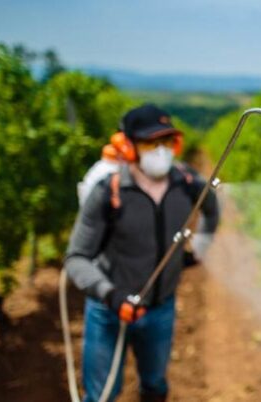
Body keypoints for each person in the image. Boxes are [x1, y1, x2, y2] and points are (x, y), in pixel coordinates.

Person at [65, 103, 219, 402]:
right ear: (128, 146)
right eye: (151, 142)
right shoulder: (107, 193)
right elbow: (76, 258)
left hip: (161, 308)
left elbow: (212, 209)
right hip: (108, 312)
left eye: (166, 142)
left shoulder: (186, 185)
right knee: (101, 394)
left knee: (155, 385)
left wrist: (198, 250)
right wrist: (110, 294)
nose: (160, 151)